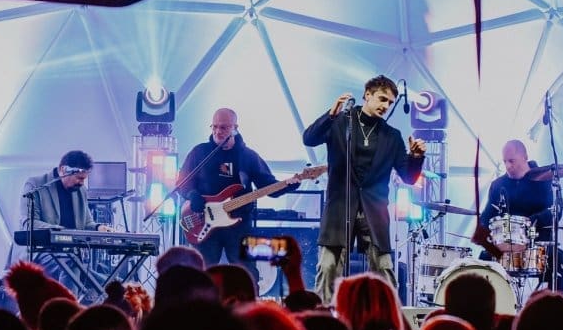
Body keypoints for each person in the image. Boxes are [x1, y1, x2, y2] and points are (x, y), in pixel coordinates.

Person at [303, 75, 425, 302]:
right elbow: (309, 139)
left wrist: (417, 157)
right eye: (382, 99)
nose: (386, 106)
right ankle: (324, 316)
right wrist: (331, 115)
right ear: (367, 95)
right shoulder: (340, 122)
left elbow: (408, 177)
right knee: (328, 266)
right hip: (340, 207)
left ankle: (389, 315)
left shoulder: (392, 136)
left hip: (374, 211)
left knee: (384, 269)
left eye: (390, 102)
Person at [178, 107, 290, 275]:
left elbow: (268, 186)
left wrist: (290, 184)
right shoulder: (200, 152)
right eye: (214, 126)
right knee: (201, 274)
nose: (218, 131)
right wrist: (192, 195)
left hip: (239, 225)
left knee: (247, 273)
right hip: (204, 222)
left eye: (223, 127)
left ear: (235, 128)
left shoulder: (248, 156)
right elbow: (182, 182)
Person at [479, 139, 563, 289]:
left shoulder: (545, 179)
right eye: (505, 161)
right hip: (505, 246)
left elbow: (556, 211)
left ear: (525, 157)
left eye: (511, 161)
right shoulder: (498, 185)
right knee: (483, 259)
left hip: (538, 243)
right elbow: (486, 217)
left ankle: (554, 302)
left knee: (558, 258)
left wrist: (532, 221)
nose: (508, 166)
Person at [21, 150, 110, 233]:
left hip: (73, 245)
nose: (82, 183)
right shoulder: (35, 185)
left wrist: (98, 227)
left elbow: (87, 223)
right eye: (79, 178)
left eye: (84, 179)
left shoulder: (81, 190)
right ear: (63, 170)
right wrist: (61, 232)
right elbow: (28, 223)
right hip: (43, 245)